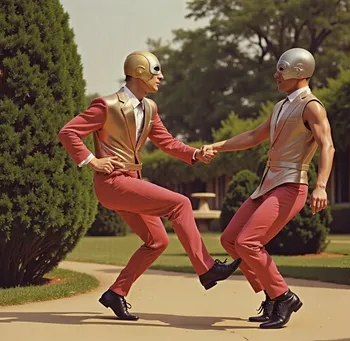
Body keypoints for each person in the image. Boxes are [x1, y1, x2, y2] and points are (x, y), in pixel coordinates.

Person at [58, 51, 241, 321]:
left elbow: (166, 142)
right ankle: (207, 268)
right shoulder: (106, 105)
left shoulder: (150, 108)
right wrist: (92, 161)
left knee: (157, 241)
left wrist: (194, 154)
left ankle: (116, 293)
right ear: (140, 72)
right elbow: (68, 132)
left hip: (132, 181)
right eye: (156, 71)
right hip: (112, 182)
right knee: (181, 203)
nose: (161, 77)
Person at [204, 47, 335, 329]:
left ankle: (283, 296)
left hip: (291, 186)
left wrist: (321, 186)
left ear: (299, 73)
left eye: (282, 69)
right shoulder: (280, 106)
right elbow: (253, 135)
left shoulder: (311, 106)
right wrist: (218, 146)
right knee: (230, 239)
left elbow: (327, 145)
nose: (276, 74)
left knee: (248, 242)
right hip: (267, 185)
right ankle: (272, 297)